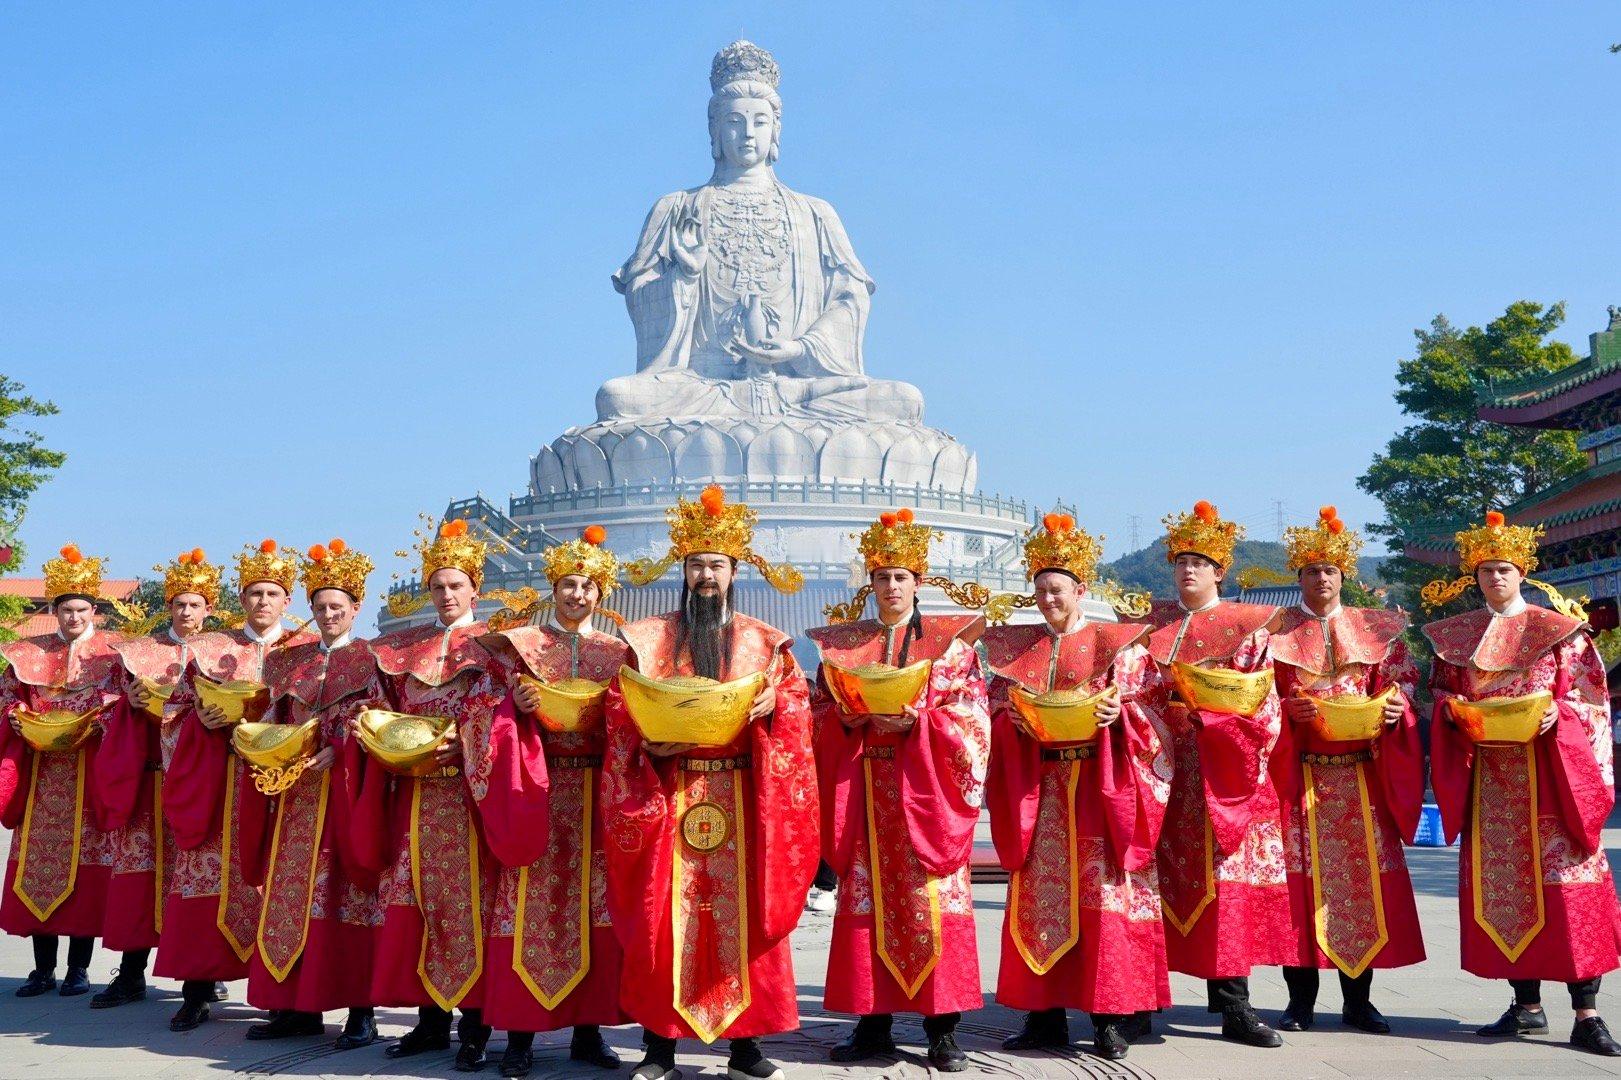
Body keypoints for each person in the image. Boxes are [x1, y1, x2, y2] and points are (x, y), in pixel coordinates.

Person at [603, 485, 818, 1080]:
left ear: (733, 571)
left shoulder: (764, 641)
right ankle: (659, 1046)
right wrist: (647, 745)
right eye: (696, 565)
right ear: (684, 571)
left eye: (716, 566)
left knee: (744, 916)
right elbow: (619, 709)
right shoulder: (648, 641)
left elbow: (800, 709)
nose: (705, 576)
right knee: (664, 917)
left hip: (744, 798)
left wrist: (777, 705)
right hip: (669, 795)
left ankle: (746, 1046)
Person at [350, 518, 549, 1071]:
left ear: (475, 591)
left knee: (473, 907)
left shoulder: (493, 649)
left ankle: (476, 1025)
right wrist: (371, 726)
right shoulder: (402, 650)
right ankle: (429, 1020)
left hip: (470, 798)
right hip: (415, 796)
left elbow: (506, 711)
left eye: (455, 586)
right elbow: (378, 703)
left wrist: (466, 742)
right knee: (419, 905)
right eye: (437, 586)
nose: (445, 595)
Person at [1424, 512, 1621, 1057]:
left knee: (1569, 892)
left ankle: (1588, 1012)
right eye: (1486, 571)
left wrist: (1563, 716)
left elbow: (1592, 700)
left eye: (1504, 569)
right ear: (1476, 576)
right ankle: (1526, 1005)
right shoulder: (1456, 638)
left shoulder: (1560, 631)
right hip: (1492, 783)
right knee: (1507, 894)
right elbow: (1439, 699)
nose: (1495, 579)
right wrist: (1455, 713)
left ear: (1522, 572)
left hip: (1553, 778)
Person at [806, 507, 991, 1072]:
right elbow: (817, 714)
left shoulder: (951, 647)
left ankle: (943, 1029)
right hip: (864, 788)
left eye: (901, 577)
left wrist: (924, 724)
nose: (891, 586)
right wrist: (846, 720)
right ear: (871, 584)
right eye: (882, 577)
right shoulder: (845, 649)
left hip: (927, 792)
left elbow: (974, 717)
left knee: (933, 904)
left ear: (919, 582)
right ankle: (872, 1022)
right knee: (868, 903)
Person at [982, 513, 1172, 1060]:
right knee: (1044, 901)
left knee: (1106, 899)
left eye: (1057, 590)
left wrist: (1122, 714)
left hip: (1101, 787)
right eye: (1040, 590)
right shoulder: (1018, 652)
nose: (1047, 600)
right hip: (1040, 792)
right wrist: (1011, 723)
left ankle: (1110, 1016)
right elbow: (993, 710)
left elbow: (1159, 716)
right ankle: (1043, 1018)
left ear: (1081, 590)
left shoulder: (1122, 647)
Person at [1268, 508, 1424, 1034]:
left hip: (1360, 778)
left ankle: (1359, 1000)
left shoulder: (1373, 629)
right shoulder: (1274, 632)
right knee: (1299, 889)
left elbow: (1400, 681)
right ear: (1299, 578)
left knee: (1362, 888)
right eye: (1311, 571)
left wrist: (1395, 705)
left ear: (1344, 576)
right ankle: (1300, 1002)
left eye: (1330, 571)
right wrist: (1287, 709)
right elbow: (1258, 695)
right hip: (1301, 778)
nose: (1321, 579)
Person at [481, 526, 629, 1078]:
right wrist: (513, 707)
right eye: (568, 584)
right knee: (531, 908)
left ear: (601, 592)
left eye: (588, 586)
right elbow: (482, 715)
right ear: (554, 587)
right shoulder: (522, 645)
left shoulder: (619, 651)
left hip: (596, 791)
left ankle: (587, 1034)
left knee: (595, 908)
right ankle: (520, 1036)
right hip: (536, 790)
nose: (577, 595)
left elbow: (630, 719)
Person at [1147, 502, 1290, 1047]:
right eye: (1181, 561)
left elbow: (1265, 706)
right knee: (1153, 886)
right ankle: (1143, 1001)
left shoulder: (1249, 629)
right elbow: (1136, 696)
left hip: (1227, 776)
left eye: (1199, 562)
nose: (1188, 570)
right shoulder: (1152, 632)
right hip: (1162, 776)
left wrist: (1212, 721)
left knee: (1226, 889)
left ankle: (1234, 1004)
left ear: (1219, 572)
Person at [237, 539, 385, 1050]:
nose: (327, 615)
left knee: (350, 898)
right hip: (295, 797)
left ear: (355, 608)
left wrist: (342, 748)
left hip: (346, 796)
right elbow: (272, 719)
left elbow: (382, 723)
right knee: (290, 897)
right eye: (320, 607)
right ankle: (294, 1007)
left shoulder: (373, 660)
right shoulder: (287, 663)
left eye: (337, 607)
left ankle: (361, 1012)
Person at [159, 540, 312, 1031]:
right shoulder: (210, 649)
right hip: (221, 780)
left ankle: (282, 995)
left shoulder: (306, 652)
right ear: (240, 600)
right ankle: (196, 988)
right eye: (253, 593)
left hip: (285, 784)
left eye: (272, 593)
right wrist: (198, 716)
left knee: (280, 882)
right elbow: (172, 708)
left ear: (287, 600)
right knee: (206, 873)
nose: (263, 602)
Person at [94, 549, 221, 1009]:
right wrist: (126, 702)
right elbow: (103, 709)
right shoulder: (138, 654)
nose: (186, 612)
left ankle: (198, 985)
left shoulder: (225, 655)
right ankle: (130, 974)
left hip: (201, 784)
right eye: (178, 604)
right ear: (167, 607)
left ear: (210, 609)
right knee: (139, 878)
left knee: (195, 881)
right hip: (147, 781)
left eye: (195, 604)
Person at [0, 545, 122, 998]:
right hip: (43, 777)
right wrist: (14, 714)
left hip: (88, 775)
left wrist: (99, 717)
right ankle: (41, 969)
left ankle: (78, 969)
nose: (74, 617)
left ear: (94, 611)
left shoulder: (114, 655)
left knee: (86, 878)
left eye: (82, 609)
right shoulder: (29, 653)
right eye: (66, 609)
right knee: (39, 869)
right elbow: (8, 694)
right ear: (54, 611)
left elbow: (124, 704)